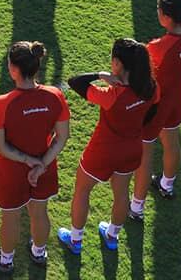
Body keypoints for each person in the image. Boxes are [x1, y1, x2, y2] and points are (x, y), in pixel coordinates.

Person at [58, 39, 159, 254]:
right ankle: (112, 236)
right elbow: (152, 113)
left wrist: (100, 76)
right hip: (131, 149)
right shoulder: (151, 87)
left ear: (117, 63)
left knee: (83, 191)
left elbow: (75, 82)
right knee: (122, 193)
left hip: (103, 150)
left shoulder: (111, 95)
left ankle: (75, 240)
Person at [0, 41, 70, 272]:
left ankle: (5, 260)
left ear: (14, 69)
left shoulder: (1, 104)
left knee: (11, 218)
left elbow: (0, 146)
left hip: (12, 171)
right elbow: (62, 137)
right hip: (45, 166)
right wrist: (41, 164)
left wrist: (27, 161)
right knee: (40, 211)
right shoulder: (55, 95)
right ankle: (39, 252)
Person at [130, 0, 181, 218]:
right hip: (176, 96)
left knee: (146, 153)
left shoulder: (158, 47)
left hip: (156, 103)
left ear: (166, 16)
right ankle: (167, 185)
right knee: (171, 141)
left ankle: (136, 208)